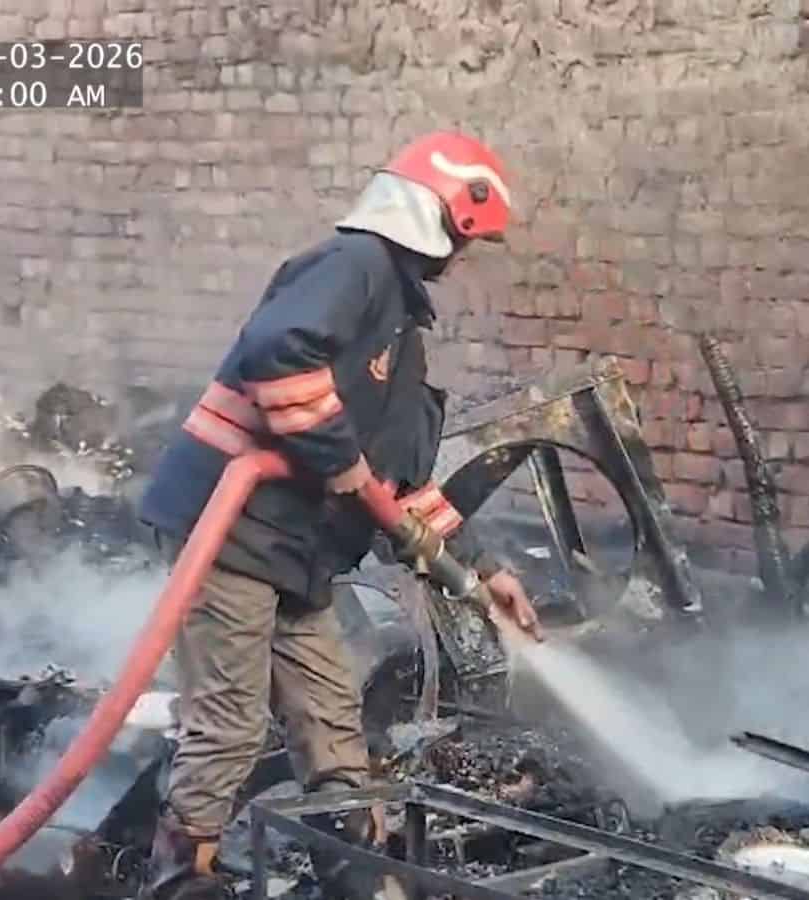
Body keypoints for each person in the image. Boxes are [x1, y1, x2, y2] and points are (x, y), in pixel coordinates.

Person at [135, 131, 544, 900]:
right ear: (444, 219)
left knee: (331, 724)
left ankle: (358, 880)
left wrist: (487, 572)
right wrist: (340, 459)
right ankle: (179, 880)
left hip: (299, 551)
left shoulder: (397, 329)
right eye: (467, 241)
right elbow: (278, 351)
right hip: (232, 534)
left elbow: (401, 487)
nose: (462, 261)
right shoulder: (353, 268)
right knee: (227, 723)